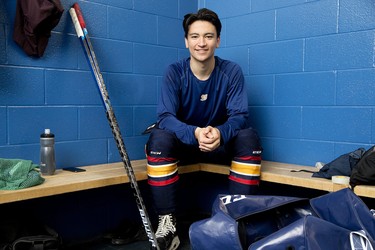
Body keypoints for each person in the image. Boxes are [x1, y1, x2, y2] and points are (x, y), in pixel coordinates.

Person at [145, 8, 262, 250]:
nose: (202, 43)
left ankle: (239, 219)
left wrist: (219, 133)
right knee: (158, 139)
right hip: (185, 146)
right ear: (186, 41)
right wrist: (195, 133)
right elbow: (165, 116)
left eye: (208, 36)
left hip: (220, 145)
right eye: (195, 36)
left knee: (249, 137)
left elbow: (240, 116)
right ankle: (167, 223)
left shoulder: (231, 72)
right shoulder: (174, 72)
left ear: (218, 40)